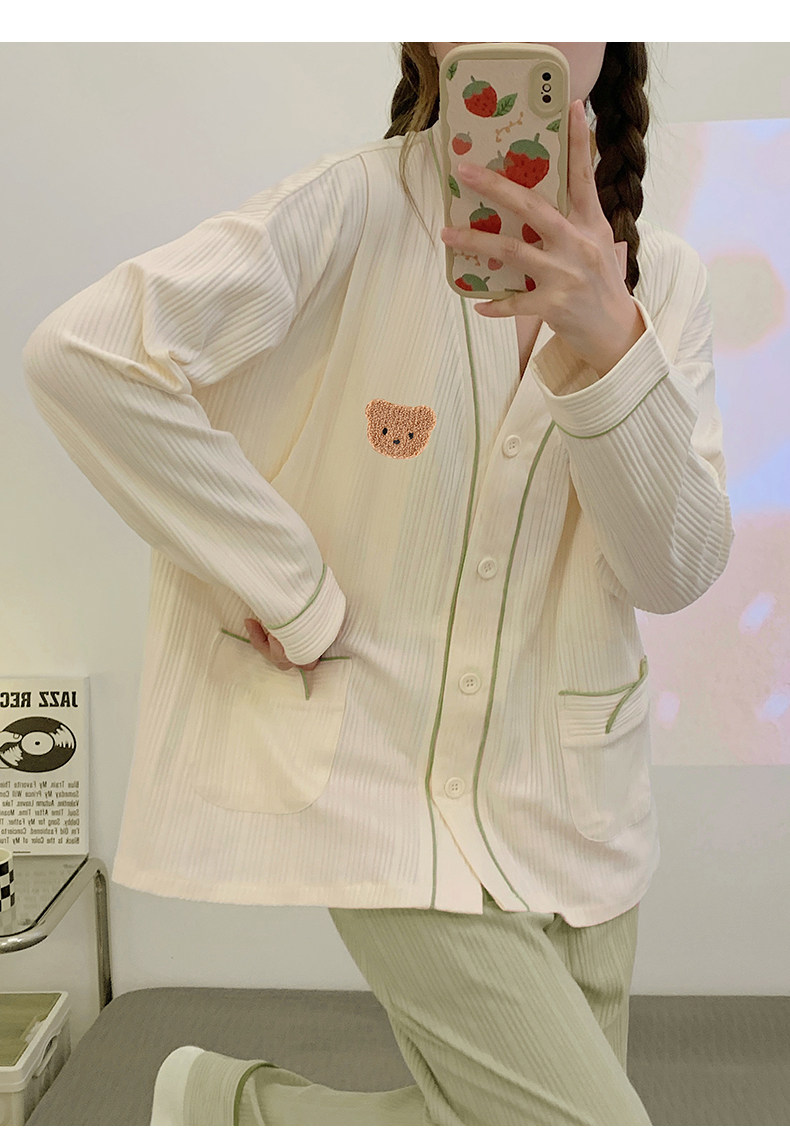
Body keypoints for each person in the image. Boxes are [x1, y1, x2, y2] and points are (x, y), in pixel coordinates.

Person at [22, 42, 734, 1126]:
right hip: (385, 783)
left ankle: (232, 1110)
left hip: (579, 805)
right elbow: (87, 357)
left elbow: (673, 570)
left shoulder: (665, 284)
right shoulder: (349, 213)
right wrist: (291, 587)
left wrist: (610, 338)